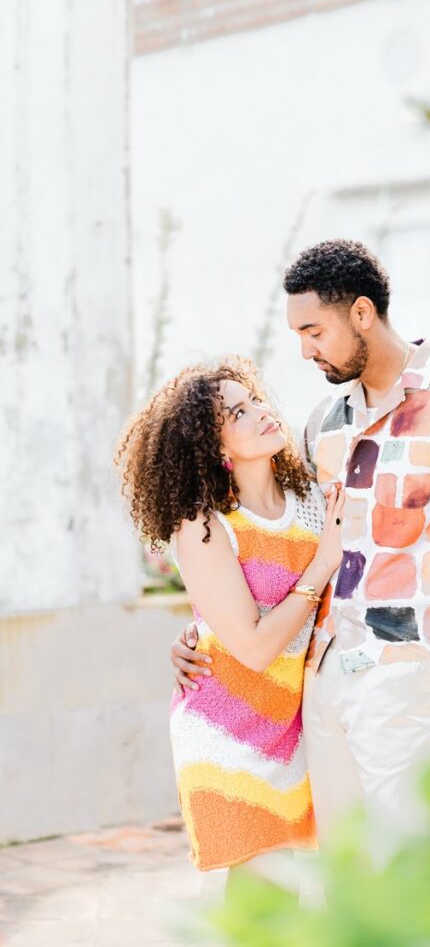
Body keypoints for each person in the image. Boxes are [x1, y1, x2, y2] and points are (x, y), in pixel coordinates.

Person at [172, 239, 430, 863]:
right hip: (321, 684)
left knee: (414, 874)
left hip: (413, 673)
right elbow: (275, 542)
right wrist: (201, 633)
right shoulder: (323, 424)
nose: (304, 350)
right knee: (347, 884)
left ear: (361, 313)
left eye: (312, 331)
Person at [116, 357, 344, 886]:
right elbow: (256, 647)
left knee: (289, 891)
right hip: (226, 730)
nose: (261, 412)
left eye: (255, 400)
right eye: (238, 413)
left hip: (295, 722)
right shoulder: (203, 524)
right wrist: (323, 563)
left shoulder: (313, 495)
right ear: (216, 447)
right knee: (263, 892)